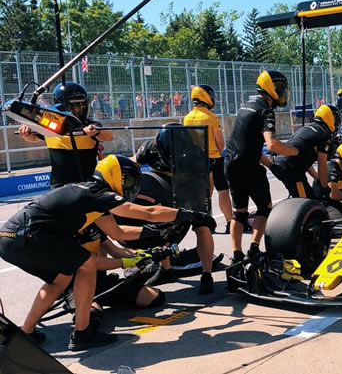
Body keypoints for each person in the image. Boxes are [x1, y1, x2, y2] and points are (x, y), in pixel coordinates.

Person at [0, 155, 211, 350]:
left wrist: (152, 235)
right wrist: (189, 215)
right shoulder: (99, 194)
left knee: (60, 281)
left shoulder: (88, 197)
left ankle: (25, 333)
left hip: (10, 238)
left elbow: (117, 232)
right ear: (114, 176)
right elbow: (148, 212)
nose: (129, 187)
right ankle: (82, 334)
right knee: (87, 265)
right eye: (127, 181)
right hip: (30, 236)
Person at [125, 124, 218, 294]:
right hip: (162, 191)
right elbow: (130, 163)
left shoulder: (197, 155)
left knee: (202, 227)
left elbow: (207, 183)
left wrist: (200, 206)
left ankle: (207, 275)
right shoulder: (149, 148)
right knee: (160, 227)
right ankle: (166, 270)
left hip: (190, 189)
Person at [224, 70, 298, 264]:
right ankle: (254, 249)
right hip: (248, 167)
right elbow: (272, 144)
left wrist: (267, 162)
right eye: (280, 88)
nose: (283, 92)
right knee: (264, 208)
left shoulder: (245, 106)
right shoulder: (266, 110)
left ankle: (236, 254)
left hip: (230, 164)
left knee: (238, 212)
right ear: (270, 88)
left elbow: (245, 142)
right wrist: (294, 151)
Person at [18, 82, 114, 189]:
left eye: (81, 106)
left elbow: (108, 136)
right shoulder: (50, 126)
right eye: (73, 107)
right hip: (59, 186)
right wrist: (26, 134)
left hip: (87, 185)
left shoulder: (90, 125)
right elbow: (34, 138)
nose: (78, 110)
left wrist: (96, 131)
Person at [184, 85, 234, 235]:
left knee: (204, 193)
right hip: (213, 157)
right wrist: (222, 154)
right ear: (207, 97)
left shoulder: (187, 118)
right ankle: (229, 222)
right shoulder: (211, 117)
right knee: (223, 191)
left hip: (196, 159)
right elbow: (219, 140)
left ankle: (206, 224)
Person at [268, 104, 340, 199]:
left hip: (284, 165)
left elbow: (306, 161)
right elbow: (322, 165)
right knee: (306, 202)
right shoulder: (323, 135)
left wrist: (317, 179)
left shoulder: (308, 129)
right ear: (331, 119)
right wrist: (325, 186)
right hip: (291, 169)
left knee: (305, 196)